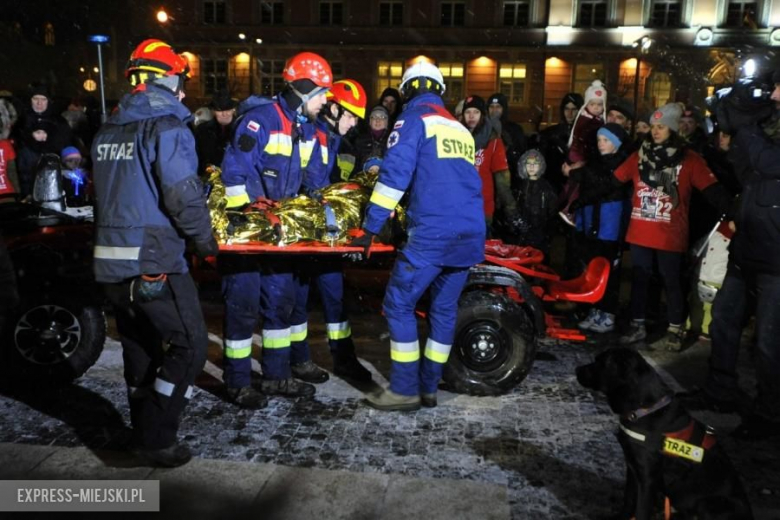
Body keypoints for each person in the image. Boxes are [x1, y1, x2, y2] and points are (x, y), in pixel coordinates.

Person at [91, 39, 218, 468]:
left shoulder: (109, 128)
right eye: (180, 81)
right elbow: (182, 194)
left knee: (140, 346)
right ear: (166, 79)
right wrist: (206, 242)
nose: (183, 91)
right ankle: (156, 436)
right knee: (190, 345)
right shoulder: (167, 126)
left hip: (112, 265)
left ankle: (141, 428)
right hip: (155, 261)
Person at [350, 61, 485, 411]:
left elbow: (394, 178)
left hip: (432, 233)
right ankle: (428, 389)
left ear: (408, 90)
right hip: (468, 234)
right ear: (439, 90)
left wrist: (369, 228)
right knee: (443, 310)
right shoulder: (459, 128)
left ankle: (405, 389)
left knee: (398, 305)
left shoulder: (412, 121)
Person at [219, 51, 332, 406]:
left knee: (280, 305)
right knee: (243, 306)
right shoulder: (259, 121)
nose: (326, 100)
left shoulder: (309, 129)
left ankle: (276, 377)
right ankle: (237, 382)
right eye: (322, 93)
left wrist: (326, 213)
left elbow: (313, 182)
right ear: (303, 89)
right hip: (247, 236)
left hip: (280, 235)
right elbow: (233, 175)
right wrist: (245, 223)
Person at [685, 72, 780, 440]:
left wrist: (747, 129)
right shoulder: (766, 125)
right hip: (750, 242)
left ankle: (771, 412)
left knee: (770, 341)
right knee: (724, 319)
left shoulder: (766, 133)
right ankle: (720, 389)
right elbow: (747, 170)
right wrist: (732, 133)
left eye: (776, 87)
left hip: (776, 256)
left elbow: (771, 163)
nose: (771, 94)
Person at [614, 103, 732, 351]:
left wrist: (734, 210)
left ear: (674, 129)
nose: (655, 132)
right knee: (640, 279)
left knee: (672, 281)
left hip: (670, 232)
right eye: (654, 127)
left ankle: (675, 328)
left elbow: (712, 191)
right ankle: (638, 324)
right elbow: (613, 180)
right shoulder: (640, 155)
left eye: (662, 127)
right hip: (640, 230)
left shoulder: (690, 159)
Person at [298, 79, 372, 382]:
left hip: (325, 234)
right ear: (333, 107)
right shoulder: (308, 134)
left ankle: (343, 358)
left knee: (334, 296)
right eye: (351, 115)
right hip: (302, 232)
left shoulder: (338, 142)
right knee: (296, 300)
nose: (353, 123)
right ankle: (298, 360)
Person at [569, 123, 631, 333]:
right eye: (599, 140)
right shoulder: (596, 163)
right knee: (594, 267)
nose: (601, 144)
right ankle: (595, 309)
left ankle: (608, 313)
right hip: (595, 222)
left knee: (609, 272)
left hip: (610, 225)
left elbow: (606, 188)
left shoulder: (620, 164)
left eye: (606, 141)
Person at [460, 94, 517, 236]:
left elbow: (502, 178)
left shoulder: (493, 140)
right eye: (468, 112)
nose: (471, 116)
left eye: (476, 112)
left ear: (482, 115)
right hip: (459, 205)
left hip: (483, 206)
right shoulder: (456, 138)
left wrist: (511, 209)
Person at [559, 80, 607, 226]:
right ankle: (569, 210)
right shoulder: (589, 122)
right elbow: (587, 143)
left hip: (578, 154)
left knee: (574, 184)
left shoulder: (590, 119)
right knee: (579, 185)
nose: (596, 108)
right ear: (587, 105)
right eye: (593, 104)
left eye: (600, 105)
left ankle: (566, 207)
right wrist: (586, 160)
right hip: (580, 155)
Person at [510, 149, 558, 258]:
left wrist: (547, 233)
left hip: (539, 235)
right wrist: (516, 223)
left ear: (540, 166)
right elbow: (513, 207)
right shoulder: (520, 187)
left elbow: (552, 213)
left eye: (535, 164)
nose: (531, 167)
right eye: (528, 164)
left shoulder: (546, 188)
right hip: (522, 235)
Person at [194, 88, 237, 178]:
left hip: (236, 181)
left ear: (233, 110)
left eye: (228, 109)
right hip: (209, 179)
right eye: (220, 110)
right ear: (213, 112)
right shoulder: (202, 131)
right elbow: (198, 158)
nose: (224, 114)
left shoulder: (242, 129)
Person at [486, 92, 527, 179]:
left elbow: (521, 153)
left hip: (509, 172)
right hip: (487, 173)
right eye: (491, 107)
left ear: (504, 109)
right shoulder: (483, 128)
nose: (494, 110)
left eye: (498, 107)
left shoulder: (515, 129)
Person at [353, 105, 390, 174]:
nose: (378, 120)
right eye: (374, 117)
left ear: (387, 122)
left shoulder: (392, 141)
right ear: (369, 121)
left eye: (382, 117)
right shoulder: (360, 140)